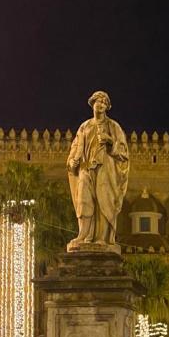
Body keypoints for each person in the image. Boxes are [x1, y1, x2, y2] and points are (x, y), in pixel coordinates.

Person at [66, 90, 129, 250]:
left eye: (104, 102)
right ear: (92, 103)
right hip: (86, 168)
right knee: (84, 200)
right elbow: (75, 147)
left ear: (107, 107)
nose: (101, 104)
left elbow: (123, 152)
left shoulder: (113, 126)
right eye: (98, 101)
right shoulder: (84, 126)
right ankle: (83, 235)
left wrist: (110, 142)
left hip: (105, 168)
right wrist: (72, 161)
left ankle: (102, 238)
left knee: (104, 201)